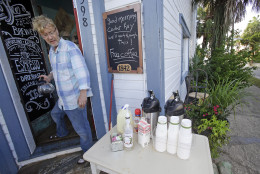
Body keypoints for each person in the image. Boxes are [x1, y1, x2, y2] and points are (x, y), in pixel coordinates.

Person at [32, 15, 93, 164]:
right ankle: (63, 132)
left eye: (52, 32)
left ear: (57, 30)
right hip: (63, 98)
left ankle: (88, 155)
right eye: (46, 34)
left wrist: (83, 94)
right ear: (42, 36)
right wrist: (49, 77)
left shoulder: (70, 48)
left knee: (82, 130)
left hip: (74, 98)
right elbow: (57, 69)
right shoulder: (52, 51)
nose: (50, 36)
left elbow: (82, 71)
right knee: (55, 114)